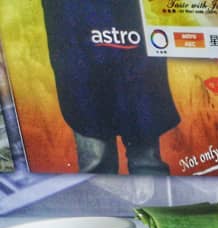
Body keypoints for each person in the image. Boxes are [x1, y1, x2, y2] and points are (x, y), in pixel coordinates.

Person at [41, 0, 178, 174]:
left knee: (145, 152)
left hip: (132, 22)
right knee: (96, 157)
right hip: (75, 19)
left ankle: (154, 197)